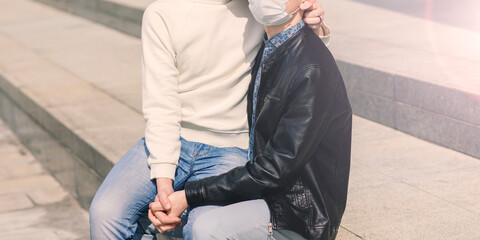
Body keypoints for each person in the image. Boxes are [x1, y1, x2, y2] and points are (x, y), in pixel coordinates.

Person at [88, 0, 330, 238]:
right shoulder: (161, 13)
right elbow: (160, 104)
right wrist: (163, 183)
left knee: (202, 227)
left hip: (232, 147)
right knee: (105, 214)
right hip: (176, 137)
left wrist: (315, 27)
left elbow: (292, 46)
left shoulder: (257, 9)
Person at [148, 0, 352, 239]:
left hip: (297, 213)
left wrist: (188, 195)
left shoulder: (311, 70)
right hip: (268, 191)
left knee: (205, 229)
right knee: (162, 218)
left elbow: (274, 169)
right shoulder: (270, 46)